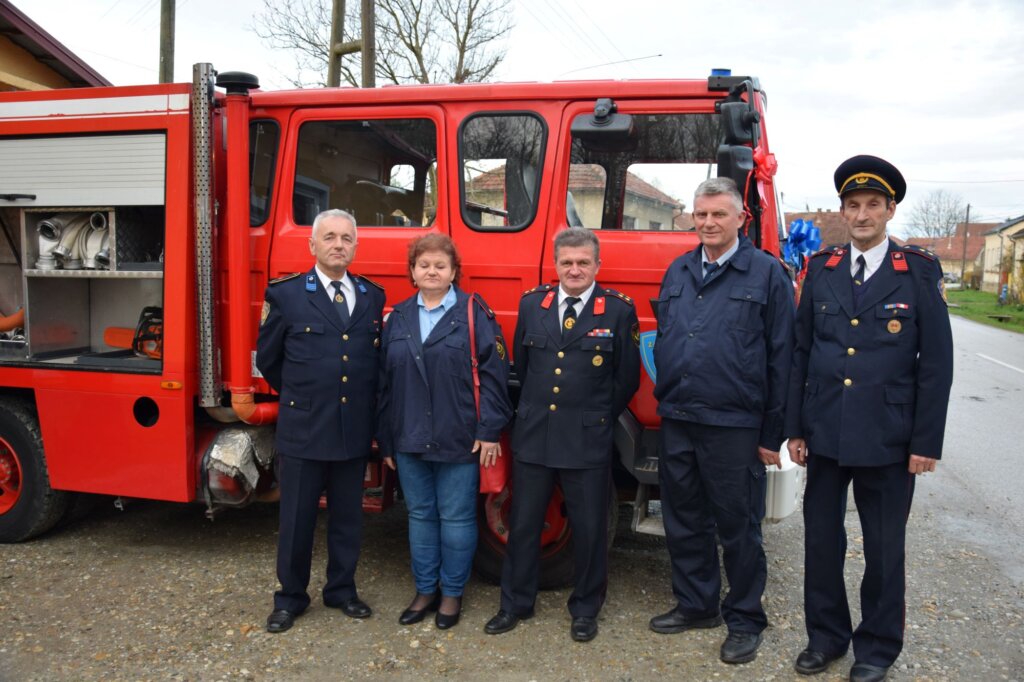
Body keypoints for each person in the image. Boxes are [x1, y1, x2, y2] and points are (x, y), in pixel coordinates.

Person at [785, 156, 953, 682]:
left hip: (889, 438)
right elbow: (800, 351)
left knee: (883, 550)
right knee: (821, 544)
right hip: (826, 432)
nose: (862, 214)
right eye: (853, 206)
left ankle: (877, 649)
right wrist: (794, 428)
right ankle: (826, 639)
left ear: (890, 210)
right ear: (843, 210)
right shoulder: (821, 268)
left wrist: (925, 442)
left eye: (872, 205)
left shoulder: (918, 272)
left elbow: (937, 365)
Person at [648, 177, 794, 665]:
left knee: (738, 527)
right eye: (701, 214)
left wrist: (773, 432)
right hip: (679, 416)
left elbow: (782, 356)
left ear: (739, 219)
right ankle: (696, 605)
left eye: (718, 214)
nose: (708, 222)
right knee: (684, 521)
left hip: (734, 424)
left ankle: (746, 618)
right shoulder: (680, 269)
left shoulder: (767, 274)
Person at [484, 227, 640, 643]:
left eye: (583, 262)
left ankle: (586, 608)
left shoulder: (619, 311)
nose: (574, 269)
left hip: (586, 435)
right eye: (567, 262)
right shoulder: (533, 304)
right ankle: (514, 603)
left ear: (597, 265)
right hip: (535, 433)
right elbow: (523, 361)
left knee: (590, 529)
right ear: (556, 265)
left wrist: (594, 417)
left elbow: (625, 379)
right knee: (523, 522)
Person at [256, 209, 386, 633]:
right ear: (312, 245)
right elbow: (271, 361)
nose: (338, 245)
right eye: (329, 237)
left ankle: (342, 590)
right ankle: (290, 597)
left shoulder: (371, 296)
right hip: (306, 429)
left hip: (351, 429)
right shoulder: (288, 295)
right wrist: (305, 398)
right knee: (296, 520)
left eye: (346, 238)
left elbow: (372, 363)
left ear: (355, 247)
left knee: (348, 518)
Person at [377, 233, 512, 630]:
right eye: (424, 265)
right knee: (420, 516)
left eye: (440, 265)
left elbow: (495, 376)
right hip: (409, 436)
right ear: (413, 272)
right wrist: (385, 439)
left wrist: (489, 430)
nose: (432, 271)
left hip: (460, 436)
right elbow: (384, 385)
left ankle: (451, 593)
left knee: (455, 518)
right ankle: (424, 590)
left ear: (454, 272)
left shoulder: (473, 312)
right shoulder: (397, 317)